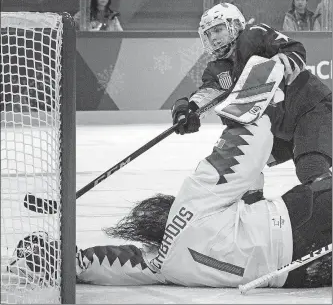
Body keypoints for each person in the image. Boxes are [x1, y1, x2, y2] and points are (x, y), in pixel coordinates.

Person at [8, 115, 331, 288]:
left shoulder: (165, 265)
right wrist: (256, 97)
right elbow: (246, 146)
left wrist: (54, 259)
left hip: (298, 273)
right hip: (301, 220)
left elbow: (104, 264)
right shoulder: (192, 205)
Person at [171, 2, 331, 187]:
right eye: (208, 33)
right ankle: (252, 210)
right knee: (241, 165)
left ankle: (327, 205)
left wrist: (283, 59)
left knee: (311, 168)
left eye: (218, 30)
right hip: (280, 128)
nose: (213, 38)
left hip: (310, 109)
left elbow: (294, 49)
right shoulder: (216, 68)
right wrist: (188, 110)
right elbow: (208, 93)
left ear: (235, 25)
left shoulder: (253, 35)